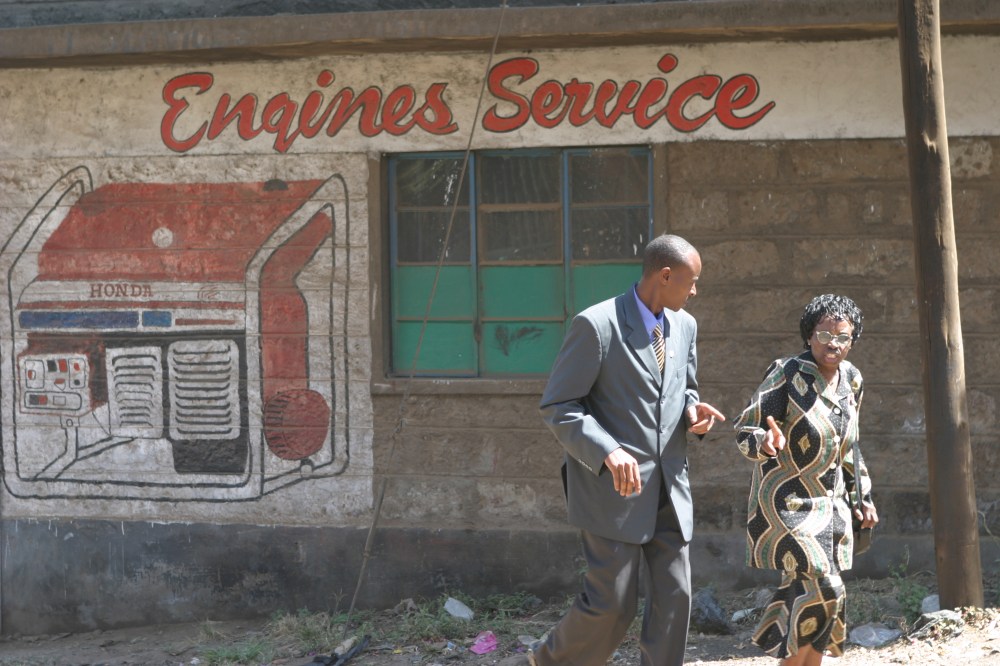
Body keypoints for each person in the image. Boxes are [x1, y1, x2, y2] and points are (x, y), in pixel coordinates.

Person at [533, 233, 726, 666]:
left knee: (676, 598)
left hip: (669, 487)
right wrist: (607, 450)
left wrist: (694, 413)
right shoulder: (597, 326)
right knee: (612, 606)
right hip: (612, 491)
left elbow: (683, 389)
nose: (695, 292)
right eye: (691, 282)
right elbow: (560, 406)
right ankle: (543, 662)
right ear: (665, 275)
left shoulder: (685, 327)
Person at [733, 294, 879, 666]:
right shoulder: (787, 373)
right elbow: (745, 429)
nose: (833, 344)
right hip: (788, 502)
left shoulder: (853, 380)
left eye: (843, 336)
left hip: (832, 506)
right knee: (825, 584)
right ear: (808, 336)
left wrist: (863, 496)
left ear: (853, 339)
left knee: (812, 592)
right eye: (824, 334)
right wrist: (765, 442)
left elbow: (851, 446)